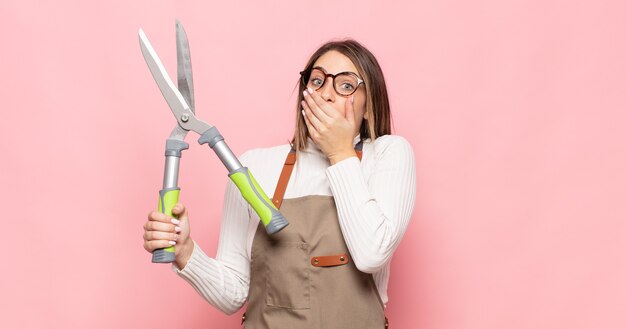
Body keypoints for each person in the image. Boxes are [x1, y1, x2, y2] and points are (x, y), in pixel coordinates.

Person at [143, 39, 416, 328]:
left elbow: (371, 255)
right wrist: (185, 251)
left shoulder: (387, 155)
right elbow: (234, 293)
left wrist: (339, 151)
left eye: (346, 85)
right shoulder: (254, 168)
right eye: (318, 81)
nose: (326, 94)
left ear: (368, 108)